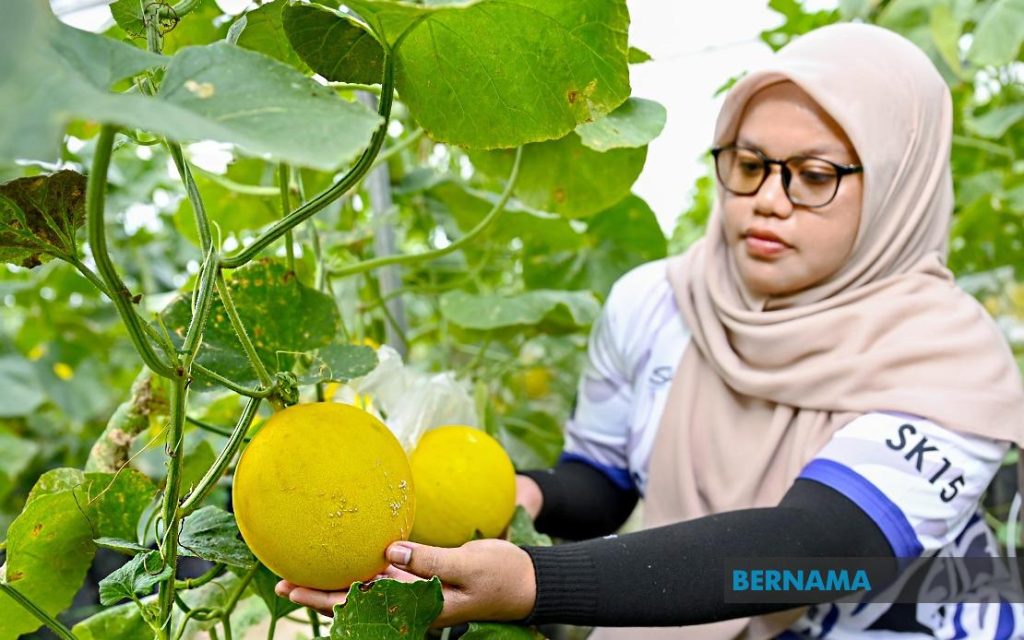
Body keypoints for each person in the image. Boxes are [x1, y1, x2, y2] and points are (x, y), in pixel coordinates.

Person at [277, 22, 1024, 638]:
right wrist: (526, 494)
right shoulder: (655, 303)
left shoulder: (948, 365)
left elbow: (821, 553)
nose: (769, 198)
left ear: (897, 185)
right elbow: (601, 482)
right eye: (749, 163)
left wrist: (533, 583)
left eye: (815, 175)